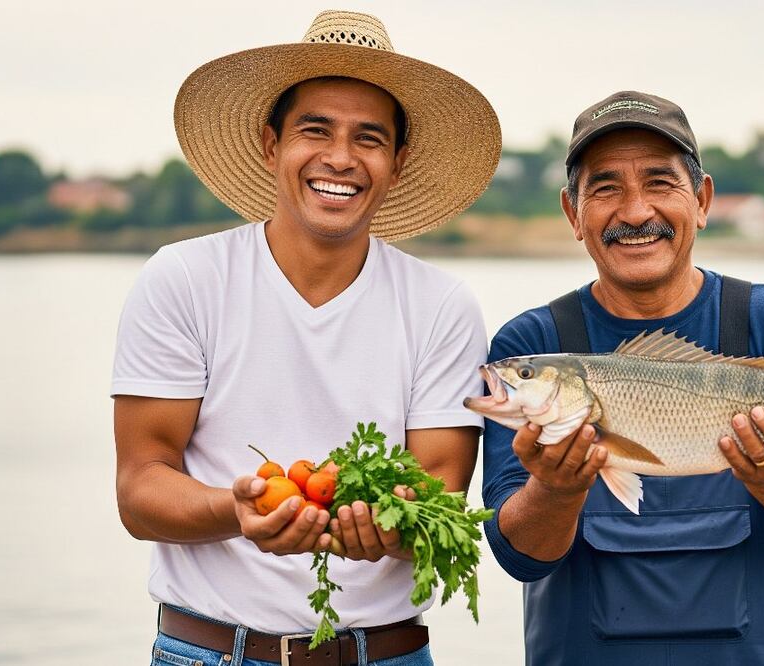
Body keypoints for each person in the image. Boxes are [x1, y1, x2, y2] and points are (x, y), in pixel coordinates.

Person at [112, 11, 501, 666]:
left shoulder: (441, 306)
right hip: (207, 651)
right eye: (315, 130)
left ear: (397, 163)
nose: (340, 158)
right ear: (271, 145)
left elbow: (441, 499)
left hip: (387, 654)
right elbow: (140, 487)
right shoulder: (184, 279)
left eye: (369, 139)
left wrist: (389, 527)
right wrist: (235, 511)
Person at [481, 91, 764, 665]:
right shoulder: (531, 344)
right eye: (606, 188)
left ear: (703, 199)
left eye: (660, 183)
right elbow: (518, 555)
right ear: (572, 213)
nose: (636, 212)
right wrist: (556, 489)